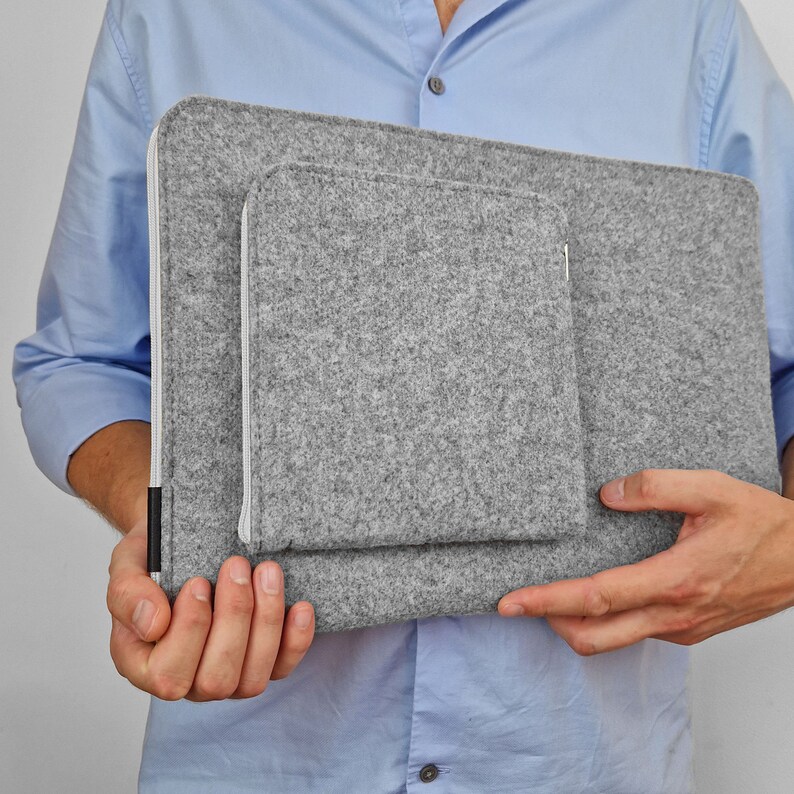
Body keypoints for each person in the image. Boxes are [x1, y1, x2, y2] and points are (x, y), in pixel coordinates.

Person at [12, 0, 794, 790]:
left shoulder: (689, 26)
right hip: (264, 761)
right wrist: (170, 520)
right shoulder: (172, 14)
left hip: (583, 763)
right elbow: (81, 361)